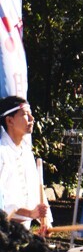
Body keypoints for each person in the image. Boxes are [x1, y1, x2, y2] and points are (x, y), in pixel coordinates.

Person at [0, 96, 51, 232]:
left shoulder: (26, 151)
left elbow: (36, 188)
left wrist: (46, 222)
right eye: (25, 114)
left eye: (31, 114)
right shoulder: (1, 152)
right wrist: (29, 213)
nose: (31, 119)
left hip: (22, 232)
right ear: (9, 120)